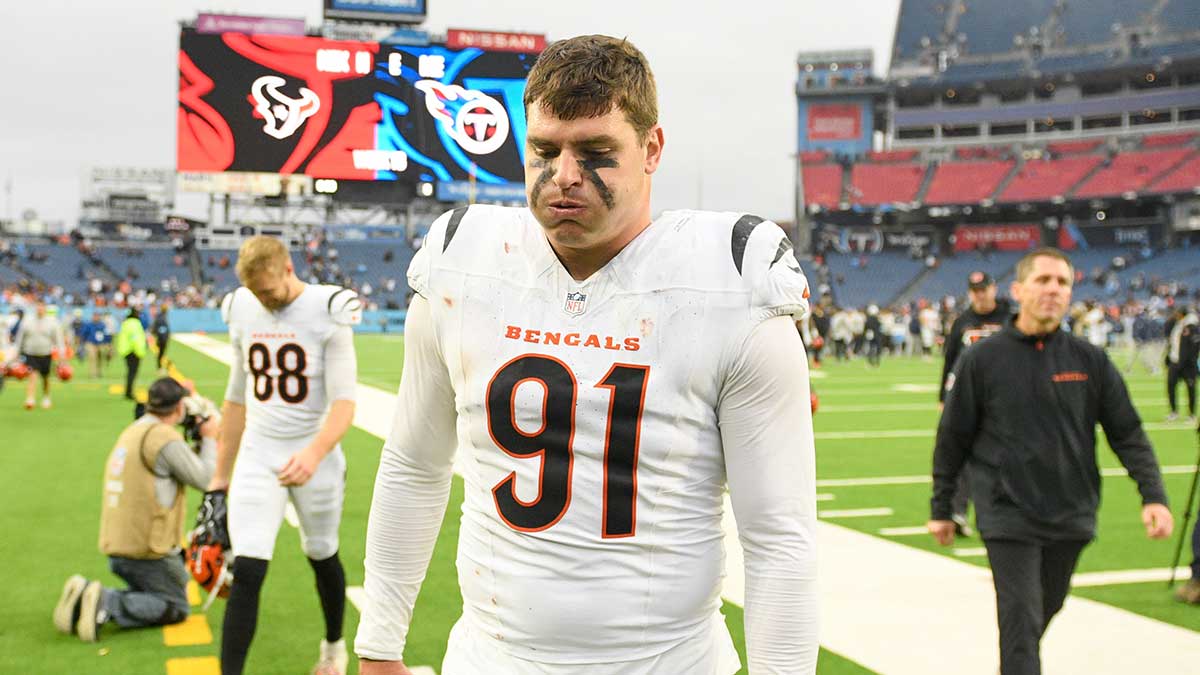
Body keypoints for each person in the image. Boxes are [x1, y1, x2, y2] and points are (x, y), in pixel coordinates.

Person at [355, 35, 818, 675]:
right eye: (545, 151)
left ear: (651, 149)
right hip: (490, 657)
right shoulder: (465, 259)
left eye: (596, 153)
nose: (564, 176)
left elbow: (778, 536)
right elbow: (414, 463)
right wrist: (379, 644)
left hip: (666, 663)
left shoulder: (732, 280)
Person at [928, 247, 1173, 675]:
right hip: (1007, 511)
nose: (1053, 290)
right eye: (1043, 280)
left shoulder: (1089, 359)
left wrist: (1153, 495)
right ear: (1019, 290)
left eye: (1062, 282)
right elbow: (953, 438)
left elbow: (1128, 433)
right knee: (1021, 621)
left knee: (1042, 610)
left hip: (1071, 511)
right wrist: (942, 507)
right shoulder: (983, 358)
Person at [209, 235, 361, 675]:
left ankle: (333, 647)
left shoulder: (327, 309)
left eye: (269, 291)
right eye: (255, 293)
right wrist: (220, 476)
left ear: (289, 268)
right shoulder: (242, 307)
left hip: (315, 454)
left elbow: (345, 402)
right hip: (259, 452)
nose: (264, 300)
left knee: (322, 553)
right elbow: (235, 399)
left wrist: (313, 454)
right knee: (248, 568)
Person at [54, 378, 218, 642]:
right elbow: (206, 479)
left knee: (157, 589)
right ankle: (107, 603)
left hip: (119, 545)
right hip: (146, 550)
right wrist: (209, 438)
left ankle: (82, 599)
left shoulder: (135, 430)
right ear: (179, 407)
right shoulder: (163, 438)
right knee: (175, 605)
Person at [937, 270, 1013, 537]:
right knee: (964, 455)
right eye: (975, 291)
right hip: (969, 398)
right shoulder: (963, 321)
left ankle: (1008, 509)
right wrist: (943, 397)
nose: (980, 295)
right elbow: (950, 360)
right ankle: (958, 511)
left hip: (1006, 396)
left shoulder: (1010, 317)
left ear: (993, 288)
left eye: (983, 289)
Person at [12, 300, 66, 409]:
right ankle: (30, 399)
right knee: (32, 375)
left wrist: (62, 355)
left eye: (42, 307)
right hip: (30, 353)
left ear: (45, 308)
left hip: (45, 353)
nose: (39, 309)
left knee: (45, 377)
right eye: (38, 307)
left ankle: (46, 397)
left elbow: (59, 340)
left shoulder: (52, 322)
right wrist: (16, 353)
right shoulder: (27, 321)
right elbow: (19, 339)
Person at [1165, 305, 1198, 423]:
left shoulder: (1192, 326)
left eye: (1178, 312)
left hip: (1187, 364)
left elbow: (1194, 346)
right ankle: (1174, 412)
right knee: (1170, 386)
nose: (1176, 314)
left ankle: (1192, 414)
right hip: (1174, 361)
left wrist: (1187, 360)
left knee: (1190, 388)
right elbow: (1171, 340)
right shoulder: (1178, 324)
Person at [115, 307, 147, 400]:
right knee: (132, 373)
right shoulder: (135, 323)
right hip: (133, 351)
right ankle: (129, 392)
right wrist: (139, 351)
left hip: (126, 351)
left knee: (130, 372)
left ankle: (128, 391)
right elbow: (135, 338)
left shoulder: (125, 323)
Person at [151, 304, 172, 372]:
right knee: (161, 353)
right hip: (162, 338)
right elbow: (160, 329)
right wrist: (163, 336)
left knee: (161, 353)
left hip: (161, 338)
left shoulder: (161, 317)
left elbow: (154, 329)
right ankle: (159, 367)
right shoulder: (161, 318)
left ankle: (160, 366)